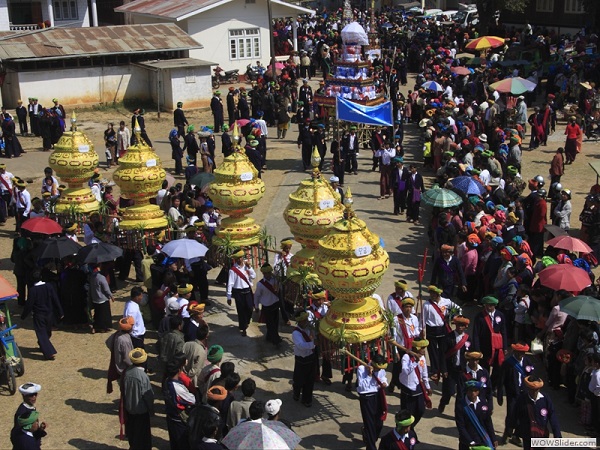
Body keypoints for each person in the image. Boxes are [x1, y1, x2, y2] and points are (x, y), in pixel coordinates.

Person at [498, 342, 536, 446]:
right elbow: (501, 380)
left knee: (524, 415)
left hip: (524, 393)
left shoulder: (528, 362)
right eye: (519, 352)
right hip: (512, 393)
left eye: (523, 353)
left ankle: (517, 435)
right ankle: (507, 433)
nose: (521, 355)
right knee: (511, 414)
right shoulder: (508, 363)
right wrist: (500, 394)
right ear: (514, 352)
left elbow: (532, 376)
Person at [20, 270, 63, 360]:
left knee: (41, 333)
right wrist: (60, 312)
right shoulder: (49, 286)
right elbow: (55, 299)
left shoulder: (33, 290)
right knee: (47, 332)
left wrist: (24, 315)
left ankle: (49, 352)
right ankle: (43, 345)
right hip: (49, 314)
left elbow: (29, 304)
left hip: (39, 315)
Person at [422, 285, 461, 382]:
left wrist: (453, 317)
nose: (432, 295)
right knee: (432, 351)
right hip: (431, 329)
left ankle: (444, 369)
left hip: (443, 329)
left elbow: (458, 309)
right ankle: (434, 370)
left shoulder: (447, 302)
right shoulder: (426, 305)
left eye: (434, 293)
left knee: (443, 351)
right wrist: (421, 330)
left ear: (438, 294)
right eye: (431, 293)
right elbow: (422, 319)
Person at [513, 376, 561, 449]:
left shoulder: (545, 399)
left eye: (536, 390)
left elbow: (552, 416)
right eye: (532, 389)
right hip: (528, 434)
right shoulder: (522, 399)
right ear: (528, 388)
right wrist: (513, 430)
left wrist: (557, 434)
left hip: (542, 435)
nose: (534, 392)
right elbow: (515, 415)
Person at [472, 295, 507, 391]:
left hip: (497, 348)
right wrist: (477, 349)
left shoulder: (500, 315)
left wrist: (505, 347)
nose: (488, 307)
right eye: (486, 305)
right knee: (484, 369)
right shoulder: (480, 317)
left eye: (491, 305)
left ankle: (492, 386)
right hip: (485, 347)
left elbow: (503, 331)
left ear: (495, 305)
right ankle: (484, 386)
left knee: (498, 369)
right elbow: (476, 334)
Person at [121, 348, 154, 450]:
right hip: (141, 411)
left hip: (130, 409)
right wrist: (151, 409)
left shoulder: (127, 372)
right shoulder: (143, 376)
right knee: (143, 437)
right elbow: (148, 395)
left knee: (133, 434)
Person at [164, 352, 196, 450]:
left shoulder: (166, 381)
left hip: (170, 416)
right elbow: (192, 400)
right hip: (178, 420)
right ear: (179, 370)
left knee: (174, 443)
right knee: (182, 443)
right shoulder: (177, 387)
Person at [438, 316, 470, 414]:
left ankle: (458, 412)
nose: (460, 327)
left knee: (461, 393)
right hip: (450, 369)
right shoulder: (448, 337)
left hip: (462, 369)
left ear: (465, 327)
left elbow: (471, 352)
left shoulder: (468, 339)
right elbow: (442, 354)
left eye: (462, 325)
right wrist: (443, 370)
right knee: (449, 391)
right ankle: (443, 402)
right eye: (458, 325)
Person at [357, 354, 389, 450]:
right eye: (377, 368)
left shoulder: (380, 368)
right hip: (366, 398)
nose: (379, 370)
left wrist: (384, 383)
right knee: (370, 424)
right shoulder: (362, 369)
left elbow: (383, 377)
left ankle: (369, 437)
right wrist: (369, 375)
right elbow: (362, 387)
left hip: (377, 395)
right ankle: (371, 447)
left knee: (379, 423)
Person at [399, 339, 431, 432]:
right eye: (422, 348)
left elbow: (424, 373)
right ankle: (406, 429)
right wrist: (415, 362)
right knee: (408, 413)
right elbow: (406, 371)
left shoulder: (422, 358)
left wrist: (427, 386)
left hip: (418, 386)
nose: (424, 350)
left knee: (421, 410)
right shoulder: (406, 357)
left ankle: (411, 427)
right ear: (416, 348)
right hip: (408, 388)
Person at [455, 380, 497, 450]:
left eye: (475, 390)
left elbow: (488, 422)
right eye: (470, 390)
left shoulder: (483, 403)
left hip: (482, 439)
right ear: (467, 391)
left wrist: (493, 438)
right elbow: (461, 426)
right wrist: (470, 441)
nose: (473, 393)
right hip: (467, 442)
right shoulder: (461, 406)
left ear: (478, 391)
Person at [226, 249, 255, 337]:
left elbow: (253, 276)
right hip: (238, 292)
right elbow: (230, 283)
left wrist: (250, 268)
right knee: (241, 311)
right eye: (237, 258)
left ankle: (246, 322)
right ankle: (243, 328)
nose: (239, 260)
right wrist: (229, 297)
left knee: (250, 308)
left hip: (247, 290)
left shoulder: (247, 266)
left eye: (241, 257)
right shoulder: (233, 270)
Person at [292, 311, 317, 408]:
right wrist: (313, 344)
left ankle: (307, 399)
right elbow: (301, 345)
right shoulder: (296, 333)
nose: (307, 321)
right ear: (300, 322)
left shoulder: (309, 328)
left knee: (310, 380)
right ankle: (296, 393)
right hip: (301, 359)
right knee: (299, 379)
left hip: (311, 356)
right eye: (304, 320)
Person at [254, 263, 281, 345]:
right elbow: (257, 296)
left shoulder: (275, 280)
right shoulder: (260, 284)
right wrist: (256, 306)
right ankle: (275, 340)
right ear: (263, 274)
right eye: (266, 273)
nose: (268, 275)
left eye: (269, 273)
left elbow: (279, 288)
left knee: (275, 323)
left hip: (275, 304)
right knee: (270, 324)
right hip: (267, 306)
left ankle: (270, 336)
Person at [106, 316, 134, 394]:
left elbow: (108, 342)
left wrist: (115, 350)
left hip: (118, 365)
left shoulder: (117, 334)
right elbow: (127, 358)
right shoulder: (124, 341)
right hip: (124, 369)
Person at [88, 264, 114, 334]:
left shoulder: (92, 277)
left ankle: (96, 327)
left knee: (97, 314)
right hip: (103, 298)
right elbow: (106, 289)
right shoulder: (101, 277)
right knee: (104, 314)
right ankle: (104, 327)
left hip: (95, 298)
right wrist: (111, 296)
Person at [124, 286, 147, 351]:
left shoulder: (131, 303)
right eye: (141, 296)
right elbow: (130, 324)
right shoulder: (132, 309)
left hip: (137, 333)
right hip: (136, 335)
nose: (142, 297)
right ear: (136, 297)